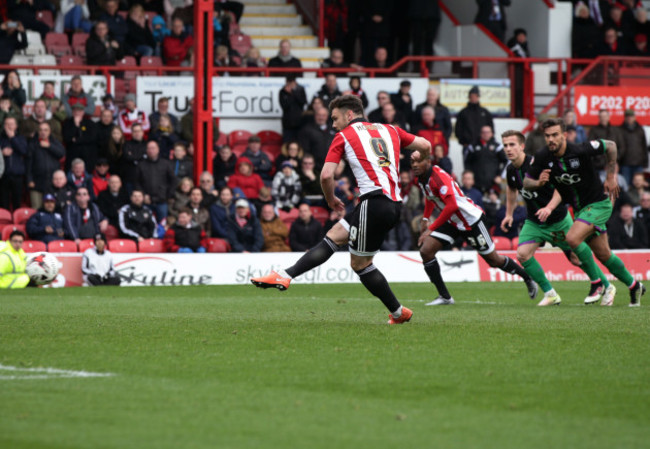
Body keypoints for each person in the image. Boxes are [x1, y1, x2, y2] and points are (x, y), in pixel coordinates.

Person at [252, 95, 433, 324]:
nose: (333, 124)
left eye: (335, 118)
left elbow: (326, 174)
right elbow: (425, 145)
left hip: (373, 203)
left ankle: (399, 313)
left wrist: (330, 199)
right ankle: (285, 275)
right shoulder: (391, 129)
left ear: (349, 114)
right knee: (335, 235)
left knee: (360, 264)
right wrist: (421, 158)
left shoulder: (344, 136)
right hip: (393, 205)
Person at [524, 118, 645, 307]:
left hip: (598, 205)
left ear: (564, 135)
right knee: (604, 255)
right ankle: (634, 285)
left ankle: (597, 284)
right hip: (581, 211)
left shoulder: (580, 149)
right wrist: (538, 182)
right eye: (547, 136)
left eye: (555, 135)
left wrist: (611, 176)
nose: (551, 139)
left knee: (572, 238)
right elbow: (526, 183)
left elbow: (611, 146)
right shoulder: (542, 156)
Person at [410, 146, 537, 306]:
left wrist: (431, 227)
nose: (414, 165)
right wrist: (426, 218)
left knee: (494, 260)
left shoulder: (438, 177)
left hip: (471, 221)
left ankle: (527, 277)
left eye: (418, 161)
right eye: (412, 161)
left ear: (428, 161)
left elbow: (452, 206)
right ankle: (445, 297)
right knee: (426, 251)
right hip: (453, 221)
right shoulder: (421, 177)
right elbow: (430, 196)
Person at [500, 130, 610, 306]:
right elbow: (511, 189)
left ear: (522, 146)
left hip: (558, 219)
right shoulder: (511, 170)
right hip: (534, 222)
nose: (508, 149)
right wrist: (508, 214)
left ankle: (606, 285)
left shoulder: (538, 164)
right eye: (505, 145)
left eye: (512, 144)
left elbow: (561, 187)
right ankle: (551, 294)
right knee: (522, 255)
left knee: (576, 258)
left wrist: (549, 207)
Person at [26, 122, 66, 210]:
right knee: (36, 209)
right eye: (41, 130)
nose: (43, 132)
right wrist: (30, 179)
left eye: (45, 130)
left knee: (51, 209)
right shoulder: (33, 144)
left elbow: (62, 153)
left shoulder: (54, 142)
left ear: (49, 131)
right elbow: (28, 163)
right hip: (36, 183)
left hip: (52, 184)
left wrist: (49, 146)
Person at [136, 140, 176, 221]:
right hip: (146, 201)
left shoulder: (166, 164)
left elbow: (173, 180)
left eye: (153, 148)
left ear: (158, 150)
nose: (151, 150)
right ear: (146, 150)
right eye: (149, 148)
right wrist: (143, 195)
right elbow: (136, 182)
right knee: (145, 224)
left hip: (162, 201)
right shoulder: (141, 165)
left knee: (162, 225)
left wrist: (168, 195)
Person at [464, 125, 507, 193]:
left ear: (492, 133)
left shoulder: (498, 147)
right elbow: (467, 162)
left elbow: (506, 161)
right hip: (476, 183)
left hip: (492, 183)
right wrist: (469, 177)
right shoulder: (472, 146)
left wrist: (500, 176)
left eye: (487, 132)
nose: (485, 134)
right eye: (483, 132)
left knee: (493, 202)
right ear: (480, 134)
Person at [455, 85, 494, 153]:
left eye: (475, 96)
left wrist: (489, 141)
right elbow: (458, 129)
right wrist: (463, 141)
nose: (473, 98)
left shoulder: (485, 112)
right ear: (469, 97)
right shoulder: (463, 113)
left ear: (478, 97)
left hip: (483, 146)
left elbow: (491, 128)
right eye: (472, 96)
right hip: (468, 145)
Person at [0, 116, 27, 211]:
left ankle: (16, 223)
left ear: (16, 126)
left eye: (11, 124)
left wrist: (12, 138)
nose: (9, 126)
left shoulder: (21, 138)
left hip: (17, 175)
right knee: (3, 202)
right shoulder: (1, 138)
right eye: (6, 124)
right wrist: (2, 153)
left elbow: (23, 150)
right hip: (3, 175)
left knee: (17, 202)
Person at [63, 103, 99, 171]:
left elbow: (92, 138)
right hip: (73, 156)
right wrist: (76, 126)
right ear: (72, 112)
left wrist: (76, 140)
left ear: (83, 112)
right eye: (75, 111)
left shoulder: (90, 123)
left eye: (79, 111)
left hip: (87, 156)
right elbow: (67, 138)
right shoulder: (67, 123)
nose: (77, 112)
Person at [618, 109, 648, 186]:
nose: (629, 118)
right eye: (627, 116)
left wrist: (645, 162)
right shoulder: (620, 129)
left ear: (634, 117)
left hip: (638, 163)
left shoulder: (640, 129)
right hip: (625, 163)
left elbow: (644, 146)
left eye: (631, 116)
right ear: (625, 118)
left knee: (639, 185)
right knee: (626, 185)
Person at [279, 75, 307, 142]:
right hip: (288, 123)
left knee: (300, 142)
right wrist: (289, 94)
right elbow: (284, 106)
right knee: (287, 142)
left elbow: (303, 102)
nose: (290, 85)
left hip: (299, 121)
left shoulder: (300, 90)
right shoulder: (282, 92)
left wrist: (293, 93)